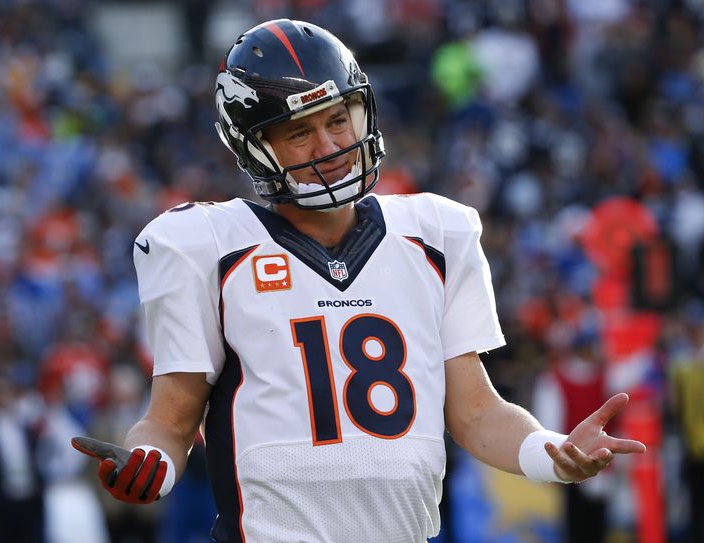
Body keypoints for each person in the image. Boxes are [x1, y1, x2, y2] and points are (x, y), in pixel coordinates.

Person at [72, 19, 646, 542]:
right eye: (299, 133)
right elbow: (170, 420)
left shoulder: (436, 234)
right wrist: (149, 462)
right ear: (254, 145)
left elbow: (474, 411)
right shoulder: (205, 245)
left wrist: (554, 452)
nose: (330, 148)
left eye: (337, 119)